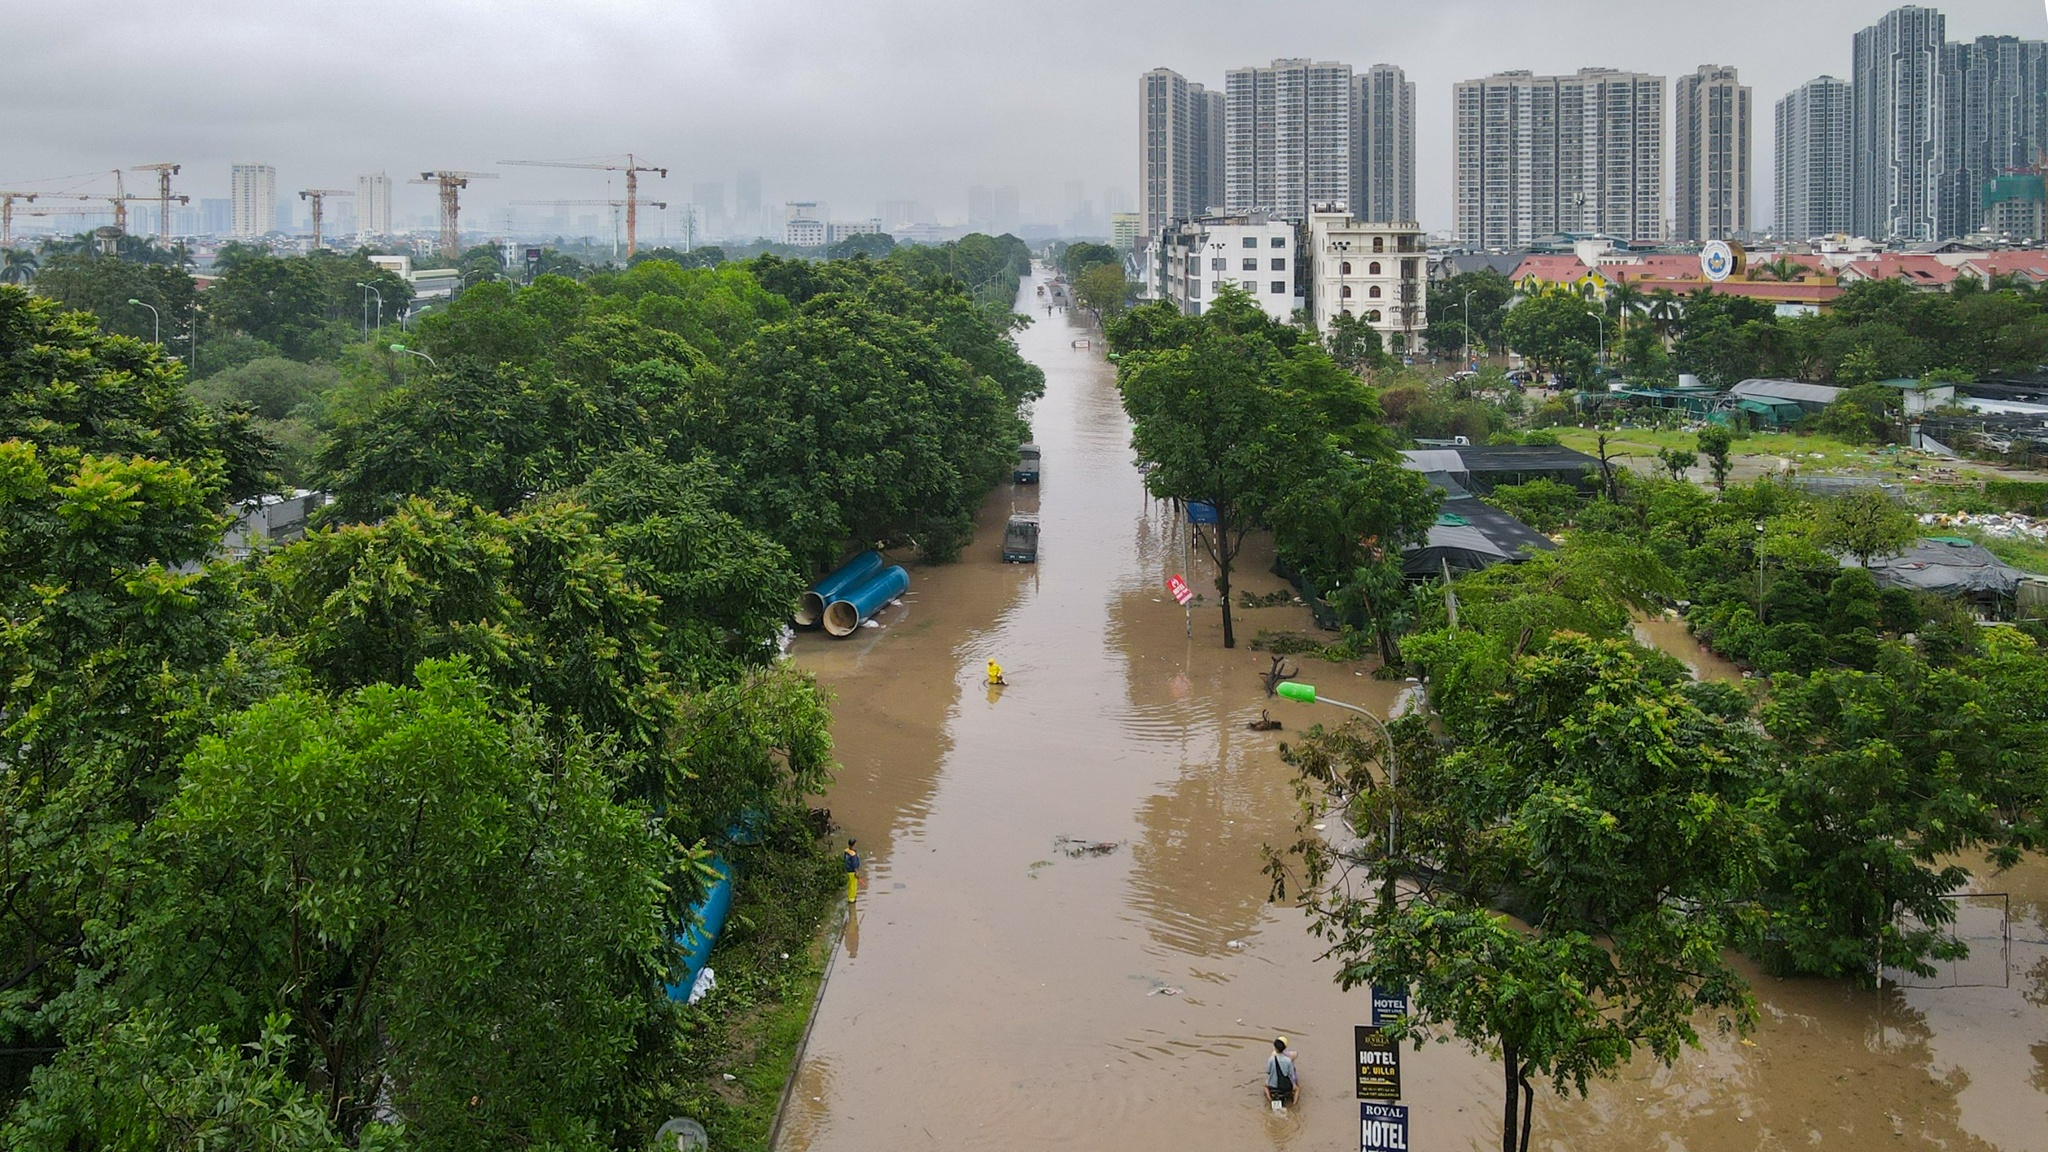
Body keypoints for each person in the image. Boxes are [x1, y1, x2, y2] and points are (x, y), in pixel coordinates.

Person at [1264, 1037, 1297, 1108]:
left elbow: (1268, 1072)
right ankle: (1294, 1104)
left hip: (1273, 1086)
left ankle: (1270, 1100)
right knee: (1297, 1089)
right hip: (1285, 1086)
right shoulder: (1288, 1060)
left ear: (1275, 1048)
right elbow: (1290, 1074)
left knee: (1265, 1086)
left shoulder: (1271, 1059)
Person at [843, 839, 861, 904]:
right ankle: (851, 899)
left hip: (847, 870)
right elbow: (854, 864)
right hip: (852, 871)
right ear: (854, 844)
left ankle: (850, 897)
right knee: (853, 886)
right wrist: (856, 872)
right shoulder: (853, 854)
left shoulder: (846, 851)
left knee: (850, 884)